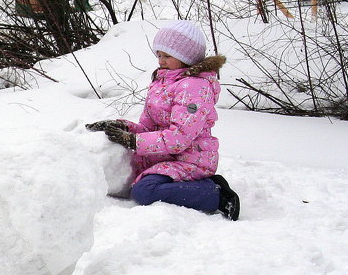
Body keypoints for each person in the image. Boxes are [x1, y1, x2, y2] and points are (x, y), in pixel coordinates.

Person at [86, 20, 240, 220]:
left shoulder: (194, 87)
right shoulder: (162, 82)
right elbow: (149, 127)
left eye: (167, 56)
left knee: (144, 191)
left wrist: (133, 141)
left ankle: (216, 195)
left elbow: (179, 138)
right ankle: (198, 187)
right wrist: (122, 127)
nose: (160, 61)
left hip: (190, 160)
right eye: (158, 54)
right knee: (139, 184)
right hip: (166, 159)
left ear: (187, 58)